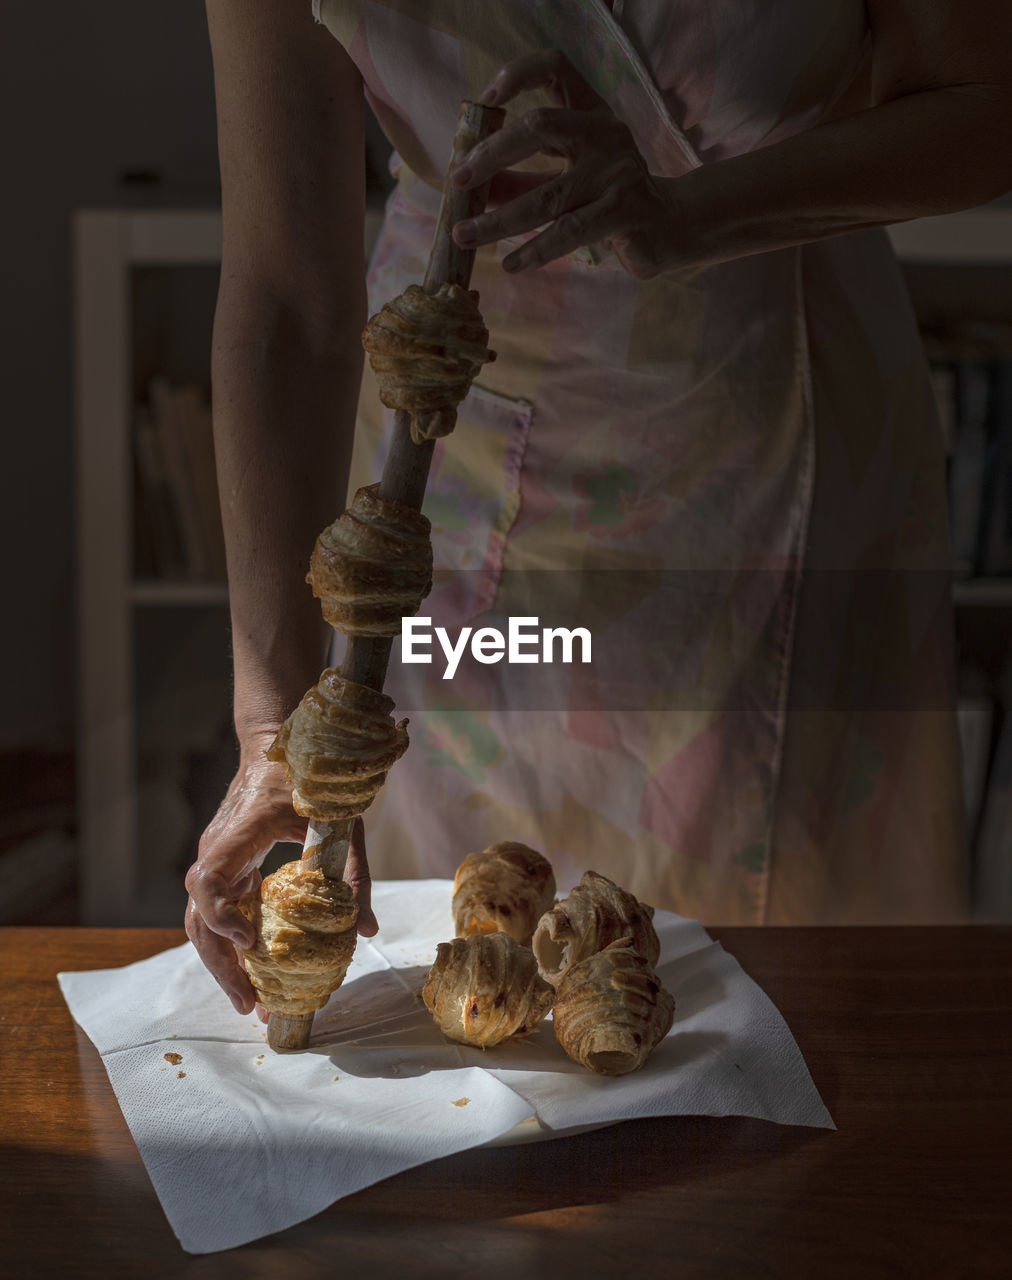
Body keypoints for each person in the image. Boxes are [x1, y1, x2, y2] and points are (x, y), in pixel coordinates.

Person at [185, 0, 1012, 1016]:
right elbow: (286, 302)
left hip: (767, 427)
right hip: (443, 451)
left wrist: (694, 210)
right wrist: (271, 720)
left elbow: (984, 109)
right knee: (463, 988)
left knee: (779, 1022)